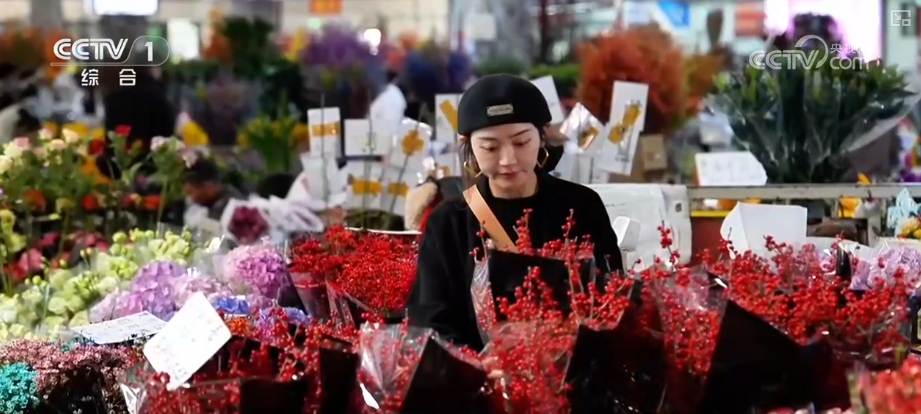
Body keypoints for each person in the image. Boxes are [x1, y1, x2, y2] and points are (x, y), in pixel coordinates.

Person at [406, 74, 625, 351]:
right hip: (477, 374)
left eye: (521, 143)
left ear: (542, 136)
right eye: (490, 147)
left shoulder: (581, 206)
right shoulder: (448, 222)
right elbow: (430, 322)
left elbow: (611, 301)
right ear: (468, 144)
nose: (507, 160)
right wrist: (480, 365)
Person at [95, 66, 175, 178]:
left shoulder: (113, 96)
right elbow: (167, 132)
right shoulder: (158, 95)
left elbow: (110, 137)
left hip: (118, 165)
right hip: (152, 166)